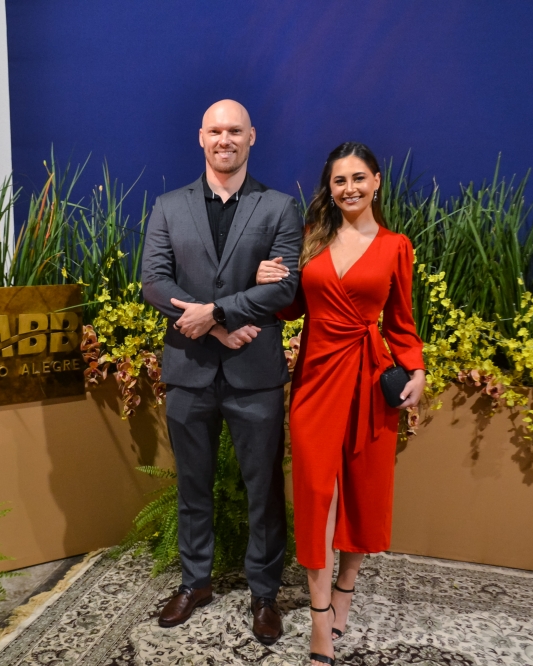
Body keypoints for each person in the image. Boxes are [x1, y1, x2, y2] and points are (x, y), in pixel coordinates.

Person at [255, 142, 425, 666]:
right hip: (316, 378)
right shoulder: (311, 238)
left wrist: (417, 369)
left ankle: (345, 589)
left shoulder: (396, 246)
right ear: (329, 189)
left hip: (370, 379)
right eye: (339, 181)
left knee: (361, 488)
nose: (349, 188)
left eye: (358, 178)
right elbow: (291, 308)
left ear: (376, 181)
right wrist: (268, 283)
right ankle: (319, 616)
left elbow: (401, 322)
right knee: (315, 493)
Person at [141, 99, 303, 644]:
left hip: (254, 373)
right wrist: (214, 326)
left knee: (264, 490)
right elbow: (153, 282)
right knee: (193, 486)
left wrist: (217, 312)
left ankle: (265, 593)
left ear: (252, 137)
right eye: (215, 130)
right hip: (189, 370)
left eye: (235, 130)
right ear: (201, 137)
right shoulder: (168, 206)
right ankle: (195, 582)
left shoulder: (279, 208)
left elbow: (284, 287)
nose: (225, 139)